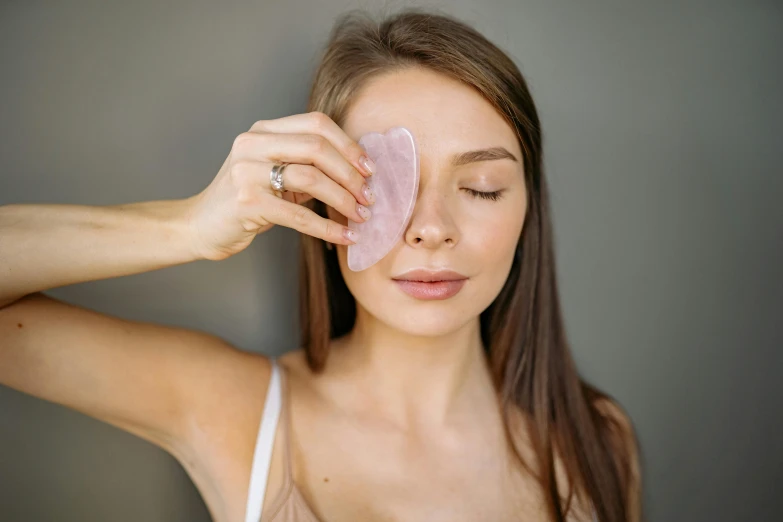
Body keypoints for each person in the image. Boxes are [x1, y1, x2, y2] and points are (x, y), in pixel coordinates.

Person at [0, 7, 643, 522]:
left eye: (480, 188)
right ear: (320, 196)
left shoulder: (597, 443)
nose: (432, 231)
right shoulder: (237, 411)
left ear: (529, 206)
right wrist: (192, 225)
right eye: (387, 187)